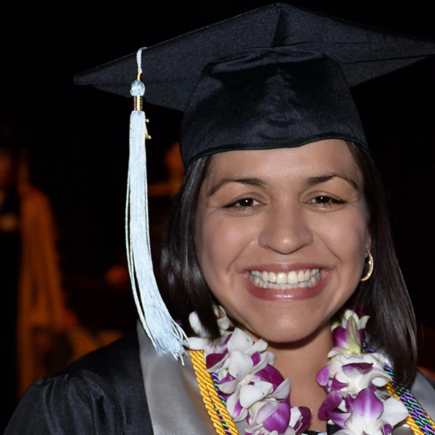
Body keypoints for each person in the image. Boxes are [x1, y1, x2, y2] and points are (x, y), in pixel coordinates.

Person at [5, 3, 435, 434]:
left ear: (369, 231)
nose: (286, 238)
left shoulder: (426, 411)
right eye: (244, 201)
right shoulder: (93, 414)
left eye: (323, 197)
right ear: (191, 228)